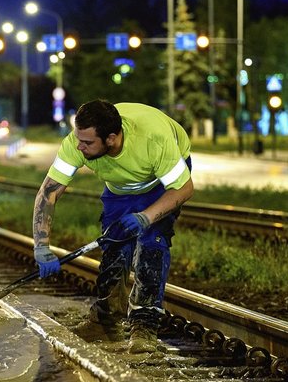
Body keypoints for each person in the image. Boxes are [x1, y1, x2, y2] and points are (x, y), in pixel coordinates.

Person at [31, 100, 193, 352]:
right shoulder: (77, 144)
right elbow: (48, 193)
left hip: (162, 184)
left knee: (152, 243)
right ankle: (105, 322)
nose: (79, 147)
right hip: (120, 188)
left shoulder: (153, 141)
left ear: (111, 139)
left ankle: (144, 326)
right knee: (114, 244)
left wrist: (146, 217)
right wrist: (41, 246)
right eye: (78, 139)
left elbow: (184, 188)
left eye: (87, 143)